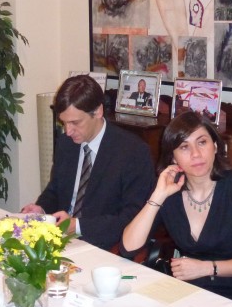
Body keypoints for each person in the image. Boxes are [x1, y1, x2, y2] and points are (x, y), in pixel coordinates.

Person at [121, 111, 232, 302]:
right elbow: (129, 248)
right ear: (173, 158)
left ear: (215, 146)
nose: (196, 154)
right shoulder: (170, 192)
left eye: (202, 142)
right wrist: (158, 195)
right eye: (184, 147)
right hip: (188, 291)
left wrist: (207, 268)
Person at [22, 75, 155, 250]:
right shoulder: (66, 143)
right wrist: (41, 209)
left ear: (98, 111)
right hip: (61, 240)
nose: (68, 131)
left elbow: (132, 218)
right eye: (63, 122)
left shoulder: (133, 152)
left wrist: (78, 226)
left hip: (105, 246)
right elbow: (55, 190)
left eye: (75, 122)